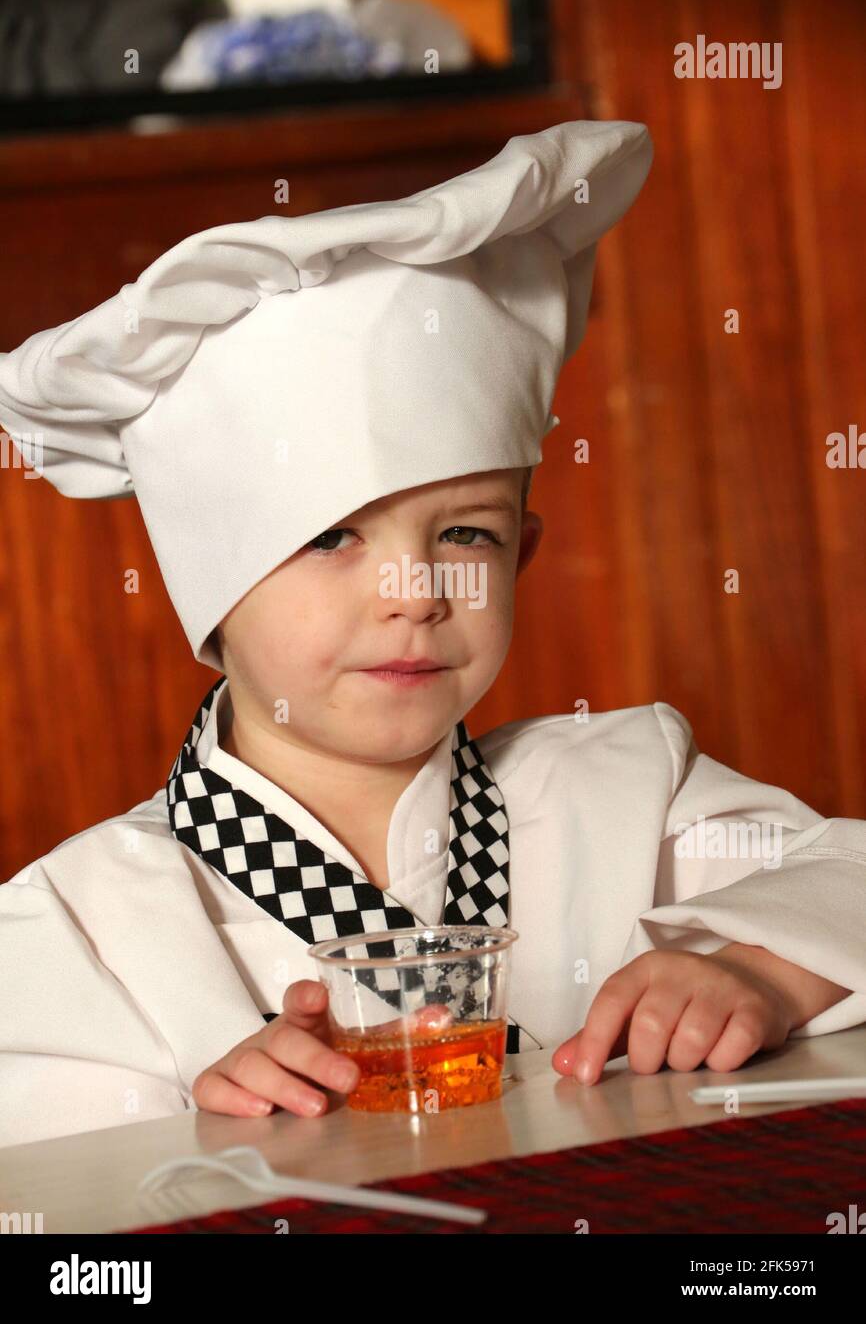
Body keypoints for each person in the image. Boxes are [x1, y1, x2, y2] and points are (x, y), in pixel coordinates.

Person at [0, 120, 863, 1150]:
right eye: (329, 538)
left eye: (463, 534)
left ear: (522, 556)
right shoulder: (81, 920)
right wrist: (196, 1123)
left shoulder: (624, 789)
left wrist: (753, 970)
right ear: (208, 581)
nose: (412, 590)